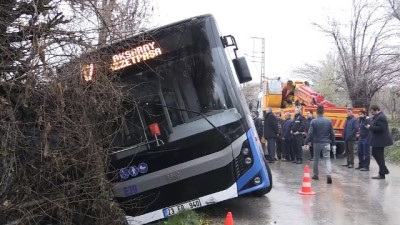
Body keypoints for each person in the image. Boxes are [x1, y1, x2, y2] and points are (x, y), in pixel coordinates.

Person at [304, 105, 336, 184]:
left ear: (316, 112)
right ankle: (328, 174)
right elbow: (332, 133)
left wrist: (305, 142)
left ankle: (316, 175)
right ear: (323, 112)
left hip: (317, 143)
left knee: (316, 159)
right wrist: (334, 144)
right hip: (326, 143)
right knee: (327, 159)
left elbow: (310, 134)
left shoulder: (314, 121)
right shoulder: (328, 121)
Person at [366, 105, 393, 179]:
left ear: (377, 110)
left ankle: (382, 173)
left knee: (379, 156)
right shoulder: (378, 116)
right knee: (376, 154)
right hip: (378, 140)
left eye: (373, 112)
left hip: (380, 140)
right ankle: (384, 170)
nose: (372, 113)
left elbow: (381, 128)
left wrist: (370, 127)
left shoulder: (381, 117)